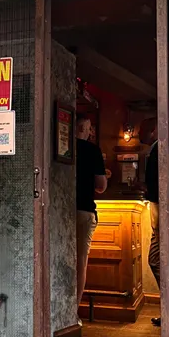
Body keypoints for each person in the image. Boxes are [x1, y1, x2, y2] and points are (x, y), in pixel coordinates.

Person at [75, 114, 107, 316]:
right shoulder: (92, 150)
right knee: (80, 263)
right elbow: (101, 186)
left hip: (60, 211)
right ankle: (72, 312)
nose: (90, 132)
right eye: (89, 128)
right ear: (82, 128)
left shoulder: (59, 147)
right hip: (84, 210)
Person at [140, 118, 161, 326]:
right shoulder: (158, 149)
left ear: (154, 130)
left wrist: (147, 191)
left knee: (157, 259)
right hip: (161, 207)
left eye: (143, 130)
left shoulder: (158, 150)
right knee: (157, 260)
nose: (139, 134)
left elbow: (156, 183)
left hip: (161, 209)